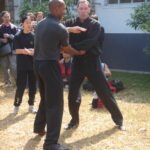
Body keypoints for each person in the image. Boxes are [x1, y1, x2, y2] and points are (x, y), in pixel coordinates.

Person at [65, 0, 125, 131]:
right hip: (77, 62)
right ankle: (74, 121)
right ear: (77, 9)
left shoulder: (95, 25)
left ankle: (119, 120)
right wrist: (74, 50)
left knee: (104, 92)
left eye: (85, 8)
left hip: (93, 62)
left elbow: (90, 42)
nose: (82, 10)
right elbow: (60, 33)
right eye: (80, 8)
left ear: (89, 9)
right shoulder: (70, 23)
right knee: (72, 93)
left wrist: (71, 48)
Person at [33, 0, 85, 150]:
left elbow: (54, 31)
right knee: (56, 104)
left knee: (45, 97)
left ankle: (38, 127)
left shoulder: (41, 23)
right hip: (50, 65)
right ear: (55, 8)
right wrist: (78, 53)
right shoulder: (59, 27)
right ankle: (51, 143)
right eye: (63, 8)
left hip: (37, 64)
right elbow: (66, 48)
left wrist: (69, 28)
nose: (65, 10)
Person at [13, 15, 37, 114]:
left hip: (33, 65)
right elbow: (17, 50)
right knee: (21, 86)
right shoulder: (17, 36)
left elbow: (38, 50)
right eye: (26, 22)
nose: (28, 24)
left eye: (30, 22)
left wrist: (33, 51)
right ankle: (16, 105)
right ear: (22, 23)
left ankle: (31, 106)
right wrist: (26, 51)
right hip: (22, 65)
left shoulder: (34, 36)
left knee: (33, 86)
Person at [0, 11, 17, 87]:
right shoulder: (0, 27)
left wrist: (9, 36)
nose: (7, 18)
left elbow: (17, 38)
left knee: (13, 66)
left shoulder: (14, 27)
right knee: (4, 66)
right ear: (2, 18)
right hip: (3, 50)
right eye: (5, 17)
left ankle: (17, 81)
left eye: (8, 16)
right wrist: (1, 40)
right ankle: (7, 82)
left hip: (13, 49)